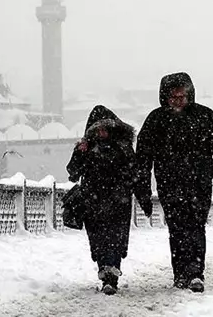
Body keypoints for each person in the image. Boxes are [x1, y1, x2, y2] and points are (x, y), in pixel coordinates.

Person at [134, 72, 213, 293]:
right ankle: (180, 273)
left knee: (196, 227)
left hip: (198, 183)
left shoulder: (204, 116)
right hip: (169, 184)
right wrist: (142, 187)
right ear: (166, 97)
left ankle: (195, 273)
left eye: (182, 96)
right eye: (174, 97)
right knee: (177, 228)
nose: (179, 101)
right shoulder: (156, 120)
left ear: (189, 95)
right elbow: (142, 157)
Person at [66, 105, 153, 295]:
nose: (102, 132)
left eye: (105, 128)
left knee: (115, 239)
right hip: (93, 202)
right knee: (98, 240)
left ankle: (111, 275)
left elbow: (136, 175)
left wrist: (144, 199)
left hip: (118, 202)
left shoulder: (123, 148)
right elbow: (73, 173)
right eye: (98, 129)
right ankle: (105, 269)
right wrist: (79, 152)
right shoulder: (87, 148)